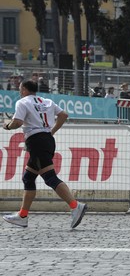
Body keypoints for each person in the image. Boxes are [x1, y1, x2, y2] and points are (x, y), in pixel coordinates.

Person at [2, 80, 87, 229]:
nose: (20, 92)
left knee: (50, 178)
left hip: (36, 142)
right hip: (47, 139)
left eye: (20, 89)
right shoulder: (46, 101)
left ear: (24, 90)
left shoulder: (22, 102)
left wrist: (7, 126)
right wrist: (51, 132)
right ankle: (22, 215)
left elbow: (17, 122)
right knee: (28, 178)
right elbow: (64, 115)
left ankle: (75, 206)